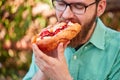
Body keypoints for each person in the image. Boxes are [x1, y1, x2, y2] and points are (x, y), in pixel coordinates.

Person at [23, 0, 120, 80]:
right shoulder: (47, 42)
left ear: (100, 8)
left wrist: (63, 77)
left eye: (78, 6)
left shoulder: (117, 49)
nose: (66, 15)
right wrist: (44, 70)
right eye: (61, 3)